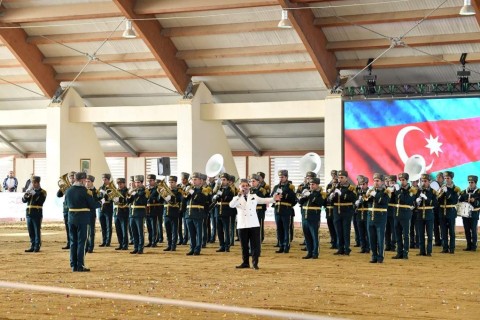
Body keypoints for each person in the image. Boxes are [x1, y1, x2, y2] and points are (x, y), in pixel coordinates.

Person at [229, 179, 278, 269]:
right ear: (239, 187)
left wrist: (273, 199)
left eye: (246, 185)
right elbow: (231, 205)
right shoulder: (236, 198)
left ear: (249, 187)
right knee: (244, 245)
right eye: (243, 186)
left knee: (255, 245)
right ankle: (245, 262)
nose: (245, 187)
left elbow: (263, 200)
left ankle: (255, 263)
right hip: (242, 224)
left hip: (253, 224)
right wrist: (238, 195)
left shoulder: (254, 196)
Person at [64, 172, 99, 272]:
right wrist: (101, 203)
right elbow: (92, 204)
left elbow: (66, 204)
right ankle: (80, 265)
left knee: (73, 242)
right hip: (82, 219)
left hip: (71, 218)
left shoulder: (68, 190)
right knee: (81, 242)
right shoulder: (86, 191)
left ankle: (73, 265)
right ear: (83, 180)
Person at [365, 173, 391, 263]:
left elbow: (383, 201)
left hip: (380, 218)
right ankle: (373, 256)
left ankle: (380, 257)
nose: (375, 183)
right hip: (370, 217)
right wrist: (368, 196)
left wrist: (375, 194)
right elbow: (365, 201)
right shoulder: (371, 190)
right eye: (374, 181)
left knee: (380, 239)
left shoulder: (386, 192)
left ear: (382, 182)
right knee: (371, 238)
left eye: (378, 181)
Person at [329, 170, 356, 256]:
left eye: (342, 177)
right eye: (339, 177)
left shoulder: (350, 187)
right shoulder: (335, 187)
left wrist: (342, 195)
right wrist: (331, 196)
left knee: (346, 231)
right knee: (338, 231)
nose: (340, 179)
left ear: (346, 178)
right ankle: (340, 248)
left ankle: (347, 248)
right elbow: (329, 200)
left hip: (346, 211)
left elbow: (353, 198)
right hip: (337, 211)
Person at [298, 177, 325, 259]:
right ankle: (309, 252)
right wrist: (302, 196)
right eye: (310, 184)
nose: (311, 186)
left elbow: (321, 202)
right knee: (307, 235)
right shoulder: (307, 193)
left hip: (314, 217)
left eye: (313, 184)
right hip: (305, 217)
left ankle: (315, 253)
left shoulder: (321, 194)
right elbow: (300, 202)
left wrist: (310, 195)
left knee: (314, 235)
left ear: (317, 185)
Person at [391, 172, 416, 260]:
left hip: (405, 214)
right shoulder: (398, 190)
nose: (402, 182)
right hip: (397, 214)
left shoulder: (412, 190)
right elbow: (392, 201)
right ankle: (399, 252)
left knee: (405, 235)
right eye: (400, 180)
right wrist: (391, 192)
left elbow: (406, 200)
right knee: (397, 234)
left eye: (403, 180)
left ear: (407, 180)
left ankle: (405, 252)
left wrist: (397, 192)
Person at [271, 170, 297, 254]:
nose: (281, 179)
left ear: (286, 177)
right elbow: (271, 196)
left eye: (282, 177)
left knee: (286, 229)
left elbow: (294, 199)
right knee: (279, 229)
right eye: (280, 177)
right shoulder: (276, 187)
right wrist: (275, 196)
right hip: (277, 209)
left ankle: (286, 246)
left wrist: (285, 196)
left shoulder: (290, 187)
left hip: (286, 210)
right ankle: (281, 245)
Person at [184, 172, 208, 256]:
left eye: (195, 179)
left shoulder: (204, 190)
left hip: (198, 213)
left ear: (201, 181)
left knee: (198, 232)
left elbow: (200, 199)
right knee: (191, 233)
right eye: (192, 179)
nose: (193, 181)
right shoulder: (190, 189)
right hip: (188, 213)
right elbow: (184, 201)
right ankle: (192, 248)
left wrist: (192, 192)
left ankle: (197, 249)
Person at [22, 176, 46, 253]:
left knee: (36, 230)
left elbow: (40, 201)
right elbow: (24, 201)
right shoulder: (31, 191)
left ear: (38, 183)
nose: (33, 184)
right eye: (32, 182)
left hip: (37, 213)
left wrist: (35, 194)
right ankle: (32, 245)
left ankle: (37, 245)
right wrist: (26, 194)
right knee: (30, 230)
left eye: (35, 183)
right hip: (29, 213)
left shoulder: (42, 192)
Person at [437, 171, 460, 254]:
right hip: (442, 211)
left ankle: (452, 248)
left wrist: (447, 192)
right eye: (445, 178)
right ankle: (445, 247)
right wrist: (440, 193)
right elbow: (438, 200)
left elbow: (454, 200)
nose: (446, 180)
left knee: (451, 231)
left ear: (451, 178)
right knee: (443, 231)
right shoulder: (442, 187)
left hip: (451, 211)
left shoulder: (456, 188)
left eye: (448, 178)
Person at [415, 174, 437, 257]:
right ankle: (422, 251)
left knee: (429, 234)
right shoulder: (418, 191)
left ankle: (429, 251)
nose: (424, 183)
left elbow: (435, 203)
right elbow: (414, 202)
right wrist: (417, 201)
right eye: (422, 181)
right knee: (420, 234)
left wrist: (427, 198)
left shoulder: (432, 191)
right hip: (420, 214)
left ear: (429, 182)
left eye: (425, 181)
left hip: (429, 214)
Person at [127, 175, 150, 254]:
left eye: (138, 182)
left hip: (139, 213)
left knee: (140, 232)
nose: (136, 184)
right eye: (135, 182)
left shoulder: (145, 191)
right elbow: (128, 201)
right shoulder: (134, 190)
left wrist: (134, 194)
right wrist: (129, 195)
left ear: (141, 183)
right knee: (134, 232)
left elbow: (142, 201)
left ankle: (140, 248)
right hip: (132, 213)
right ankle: (135, 247)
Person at [213, 173, 235, 253]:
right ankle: (221, 245)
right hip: (218, 211)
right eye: (221, 180)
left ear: (228, 181)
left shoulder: (230, 189)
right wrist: (215, 197)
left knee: (226, 229)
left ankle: (227, 246)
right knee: (219, 230)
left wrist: (222, 195)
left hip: (226, 211)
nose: (222, 181)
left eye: (224, 180)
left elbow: (230, 198)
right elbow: (213, 196)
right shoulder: (218, 189)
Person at [458, 175, 480, 252]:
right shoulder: (464, 192)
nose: (470, 184)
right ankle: (468, 245)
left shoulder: (478, 192)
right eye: (469, 182)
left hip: (474, 213)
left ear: (475, 183)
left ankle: (474, 246)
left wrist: (475, 201)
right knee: (467, 229)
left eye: (472, 182)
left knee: (473, 229)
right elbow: (459, 201)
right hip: (465, 214)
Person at [162, 176, 182, 251]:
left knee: (174, 231)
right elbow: (160, 200)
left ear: (175, 183)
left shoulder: (178, 191)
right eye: (169, 182)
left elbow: (179, 199)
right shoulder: (166, 190)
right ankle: (169, 245)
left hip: (174, 213)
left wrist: (171, 197)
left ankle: (173, 246)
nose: (170, 184)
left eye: (172, 182)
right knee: (168, 230)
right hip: (166, 212)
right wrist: (162, 194)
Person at [57, 171, 75, 249]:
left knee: (73, 228)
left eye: (73, 177)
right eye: (70, 177)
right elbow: (58, 195)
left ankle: (73, 243)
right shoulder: (66, 186)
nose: (71, 179)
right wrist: (61, 188)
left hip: (73, 210)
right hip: (66, 209)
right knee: (67, 228)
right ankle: (69, 243)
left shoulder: (78, 187)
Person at [249, 174, 268, 244]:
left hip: (259, 210)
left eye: (253, 181)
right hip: (251, 211)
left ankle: (259, 241)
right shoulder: (249, 190)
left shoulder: (262, 190)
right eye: (251, 181)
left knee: (259, 226)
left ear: (258, 182)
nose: (252, 183)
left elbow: (264, 199)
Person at [85, 175, 101, 253]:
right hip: (84, 213)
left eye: (89, 182)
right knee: (84, 230)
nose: (87, 183)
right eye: (86, 181)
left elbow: (98, 202)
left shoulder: (96, 191)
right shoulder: (83, 190)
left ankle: (91, 247)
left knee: (91, 231)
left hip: (91, 213)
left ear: (92, 182)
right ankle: (86, 246)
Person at [113, 178, 130, 250]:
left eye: (121, 184)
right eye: (118, 184)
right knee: (118, 229)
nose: (119, 185)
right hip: (116, 212)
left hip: (124, 212)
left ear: (124, 183)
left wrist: (119, 199)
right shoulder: (116, 191)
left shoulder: (127, 191)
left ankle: (125, 245)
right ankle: (120, 244)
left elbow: (126, 200)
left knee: (124, 230)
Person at [355, 175, 370, 254]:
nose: (362, 186)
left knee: (367, 232)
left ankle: (368, 247)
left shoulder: (369, 192)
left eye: (364, 184)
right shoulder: (358, 192)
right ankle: (362, 247)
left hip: (367, 213)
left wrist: (364, 200)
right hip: (359, 213)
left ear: (367, 184)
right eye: (361, 184)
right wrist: (356, 203)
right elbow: (354, 203)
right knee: (361, 232)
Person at [98, 173, 114, 247]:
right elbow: (98, 196)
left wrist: (107, 196)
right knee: (103, 226)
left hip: (108, 208)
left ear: (108, 180)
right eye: (103, 179)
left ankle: (108, 241)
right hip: (101, 209)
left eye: (105, 179)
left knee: (108, 226)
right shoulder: (101, 187)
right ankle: (104, 241)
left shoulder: (112, 188)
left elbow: (112, 198)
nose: (104, 181)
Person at [146, 174, 161, 247]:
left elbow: (159, 199)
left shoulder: (157, 188)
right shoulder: (146, 188)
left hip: (154, 210)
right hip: (147, 210)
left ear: (154, 181)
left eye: (151, 180)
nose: (149, 182)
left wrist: (152, 198)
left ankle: (154, 241)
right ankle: (150, 241)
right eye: (148, 180)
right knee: (149, 227)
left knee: (154, 227)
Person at [385, 175, 398, 252]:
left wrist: (395, 190)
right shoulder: (386, 189)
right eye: (390, 182)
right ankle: (387, 245)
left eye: (393, 182)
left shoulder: (397, 189)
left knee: (394, 229)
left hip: (394, 210)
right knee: (387, 229)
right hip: (387, 211)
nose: (391, 184)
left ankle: (393, 245)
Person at [431, 172, 444, 246]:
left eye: (439, 177)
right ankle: (437, 241)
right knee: (435, 225)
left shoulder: (445, 186)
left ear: (443, 179)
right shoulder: (434, 184)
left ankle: (443, 240)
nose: (438, 178)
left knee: (442, 225)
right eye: (437, 177)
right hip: (435, 208)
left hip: (442, 208)